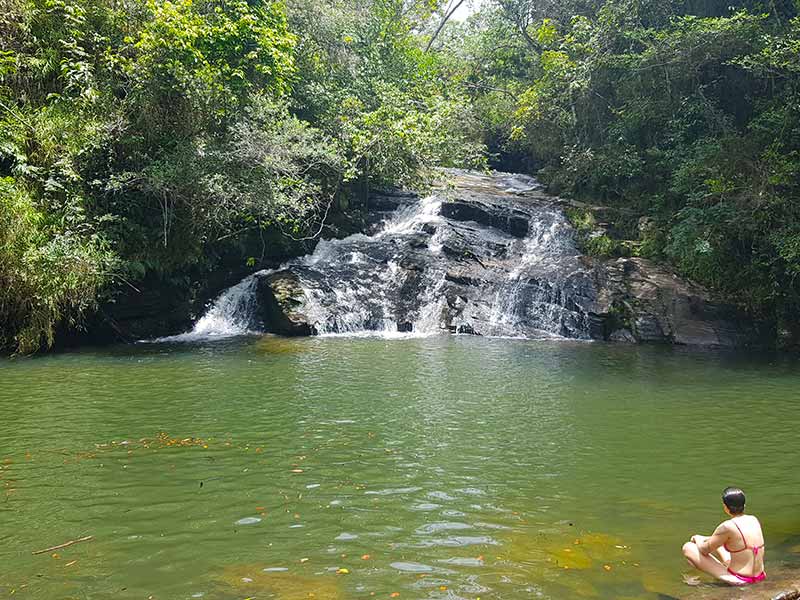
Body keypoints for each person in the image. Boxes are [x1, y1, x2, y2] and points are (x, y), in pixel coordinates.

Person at [681, 487, 766, 585]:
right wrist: (704, 538)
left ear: (725, 507)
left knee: (688, 547)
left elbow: (704, 550)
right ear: (744, 505)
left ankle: (725, 578)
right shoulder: (753, 519)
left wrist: (697, 538)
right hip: (760, 576)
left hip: (740, 579)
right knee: (719, 542)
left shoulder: (727, 526)